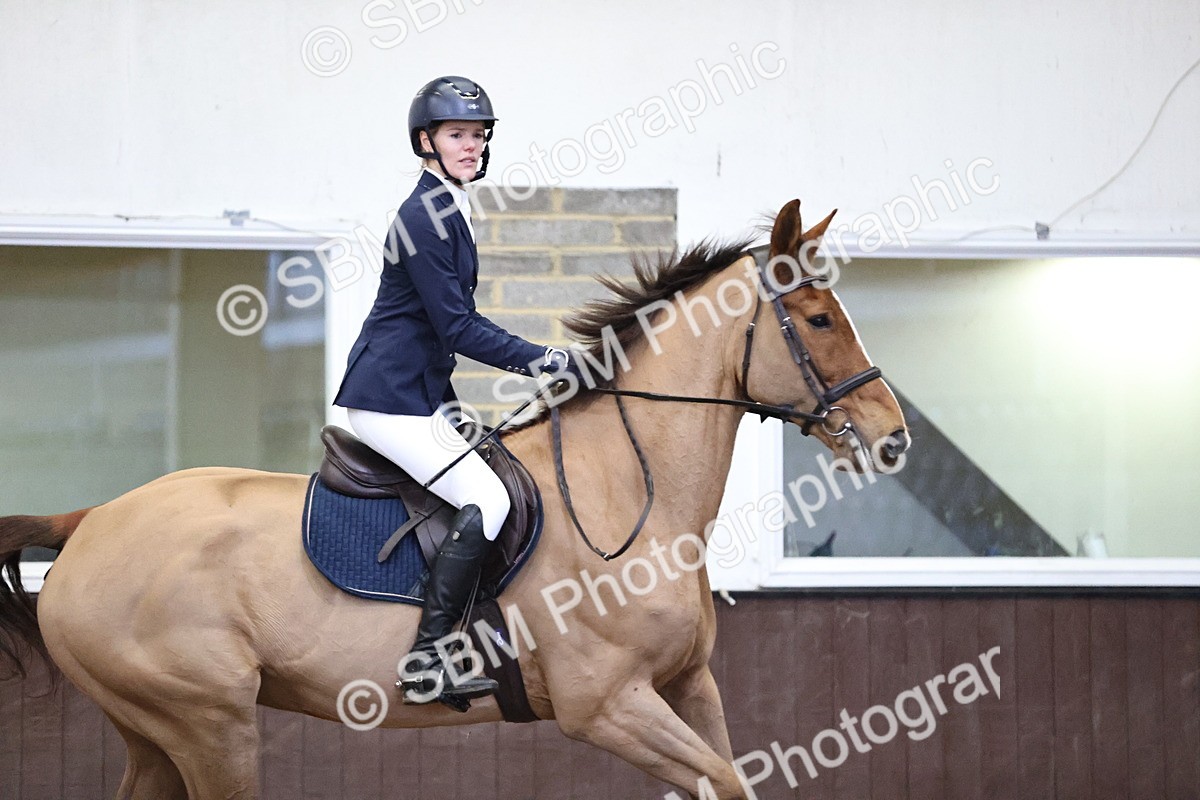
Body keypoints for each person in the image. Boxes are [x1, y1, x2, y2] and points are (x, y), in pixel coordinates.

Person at [333, 75, 582, 704]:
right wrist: (544, 358)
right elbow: (457, 326)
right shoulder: (423, 214)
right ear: (427, 141)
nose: (470, 146)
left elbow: (436, 333)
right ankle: (425, 660)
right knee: (488, 499)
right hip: (387, 397)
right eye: (456, 135)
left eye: (477, 135)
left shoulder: (449, 204)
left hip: (418, 391)